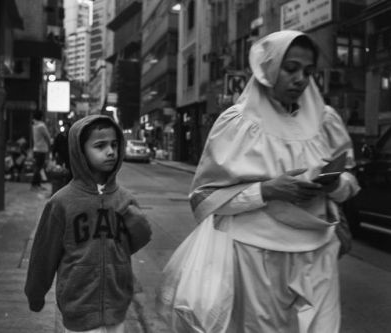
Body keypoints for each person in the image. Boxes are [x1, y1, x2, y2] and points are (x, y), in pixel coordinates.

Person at [188, 30, 360, 332]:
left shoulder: (326, 120)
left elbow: (348, 184)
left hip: (318, 250)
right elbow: (205, 197)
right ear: (267, 68)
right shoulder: (237, 122)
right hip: (257, 254)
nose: (301, 79)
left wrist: (333, 184)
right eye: (290, 68)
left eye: (308, 71)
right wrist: (267, 190)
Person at [24, 115, 152, 333]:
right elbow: (43, 255)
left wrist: (133, 218)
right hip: (78, 309)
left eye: (114, 145)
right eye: (100, 146)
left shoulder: (124, 199)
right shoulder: (62, 203)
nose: (110, 151)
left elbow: (138, 240)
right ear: (80, 151)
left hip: (116, 307)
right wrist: (35, 294)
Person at [31, 110, 52, 190]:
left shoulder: (34, 125)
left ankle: (37, 184)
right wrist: (50, 145)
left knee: (38, 167)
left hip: (36, 149)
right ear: (41, 117)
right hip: (42, 149)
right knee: (38, 167)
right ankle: (34, 184)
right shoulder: (41, 126)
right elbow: (47, 137)